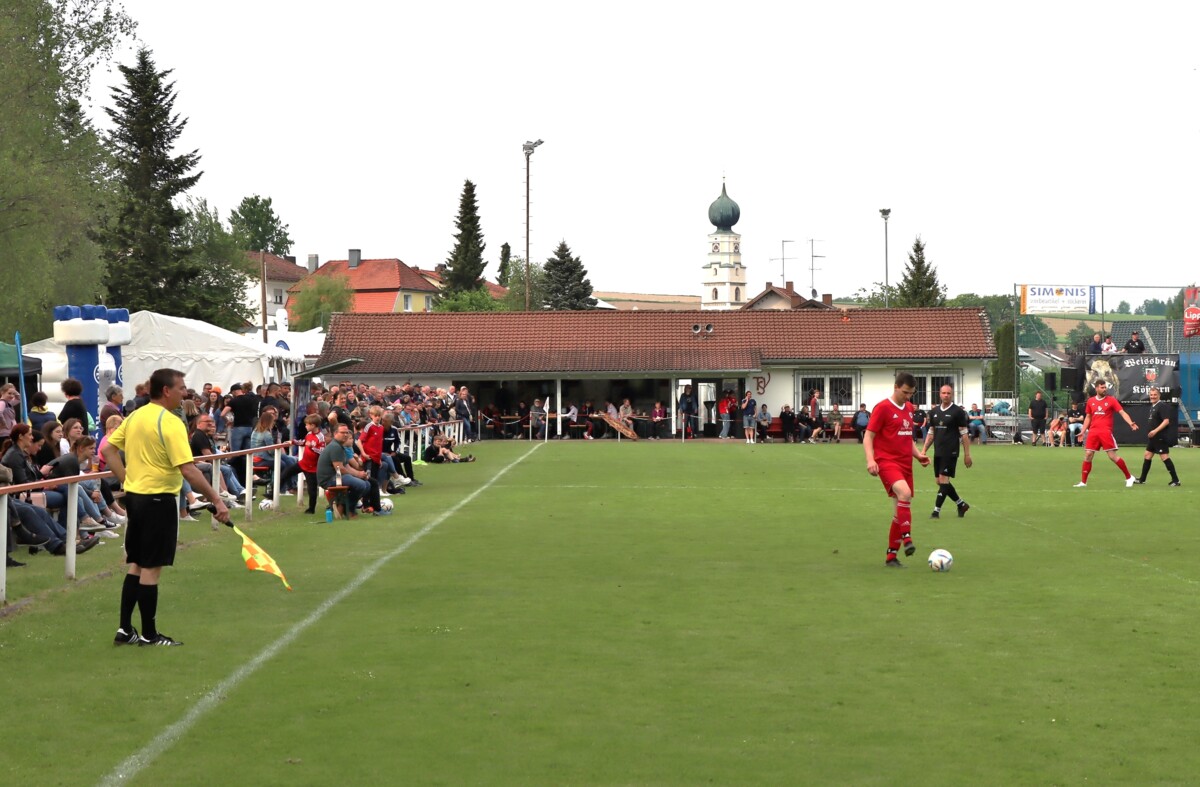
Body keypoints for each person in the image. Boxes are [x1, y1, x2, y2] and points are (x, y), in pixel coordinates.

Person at [104, 368, 230, 647]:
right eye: (181, 387)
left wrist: (127, 479)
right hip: (158, 499)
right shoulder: (170, 422)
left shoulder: (135, 415)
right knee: (151, 567)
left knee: (136, 563)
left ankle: (125, 629)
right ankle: (149, 634)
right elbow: (189, 470)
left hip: (136, 498)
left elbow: (108, 451)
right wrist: (218, 500)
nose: (184, 392)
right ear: (166, 391)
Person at [864, 372, 931, 568]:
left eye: (911, 393)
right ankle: (907, 539)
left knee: (898, 511)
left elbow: (906, 437)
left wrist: (918, 455)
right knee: (905, 493)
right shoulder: (882, 408)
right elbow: (869, 436)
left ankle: (891, 557)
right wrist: (870, 460)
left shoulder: (909, 408)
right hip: (886, 461)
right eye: (905, 392)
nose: (908, 397)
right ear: (895, 387)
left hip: (905, 464)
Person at [1074, 379, 1138, 488]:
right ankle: (1083, 482)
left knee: (1112, 456)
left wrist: (1130, 422)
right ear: (1097, 388)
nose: (1104, 389)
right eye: (1102, 387)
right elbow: (1088, 417)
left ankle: (1129, 477)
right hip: (1093, 432)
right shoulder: (1090, 401)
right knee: (1088, 455)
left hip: (1105, 432)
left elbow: (1122, 412)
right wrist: (1083, 431)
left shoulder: (1111, 400)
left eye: (1105, 387)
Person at [922, 384, 972, 519]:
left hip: (951, 451)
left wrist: (967, 455)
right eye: (943, 393)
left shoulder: (958, 412)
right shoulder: (934, 412)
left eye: (948, 393)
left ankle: (936, 511)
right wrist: (924, 450)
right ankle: (961, 504)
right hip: (938, 451)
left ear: (952, 395)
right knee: (939, 481)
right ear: (939, 394)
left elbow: (964, 434)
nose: (946, 395)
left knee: (944, 479)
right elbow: (931, 432)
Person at [1134, 387, 1181, 487]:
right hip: (1153, 438)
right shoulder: (1153, 406)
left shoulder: (1162, 406)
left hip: (1160, 436)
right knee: (1147, 455)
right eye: (1151, 395)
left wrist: (1155, 431)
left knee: (1164, 457)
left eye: (1155, 395)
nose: (1153, 396)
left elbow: (1166, 421)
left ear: (1159, 395)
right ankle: (1142, 479)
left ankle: (1176, 480)